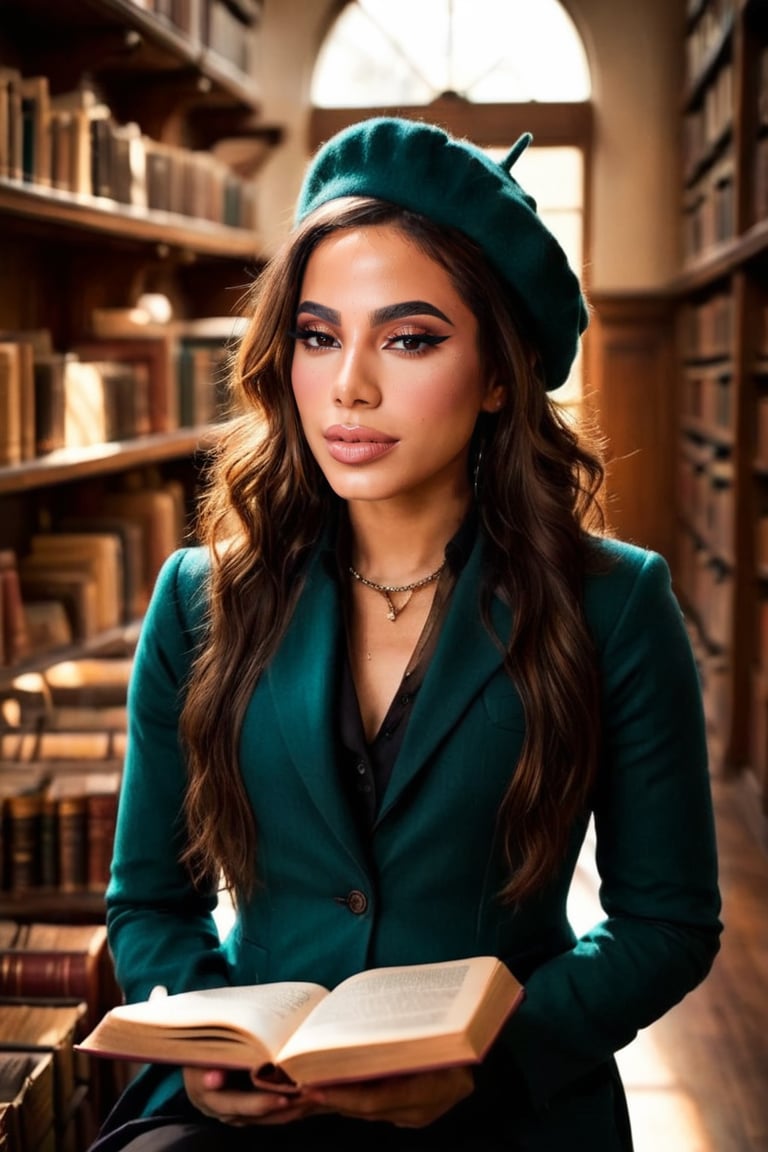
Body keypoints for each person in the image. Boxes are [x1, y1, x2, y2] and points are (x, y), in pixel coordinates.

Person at [90, 117, 722, 1152]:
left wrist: (493, 1059)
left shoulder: (617, 603)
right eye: (318, 334)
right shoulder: (198, 600)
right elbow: (150, 904)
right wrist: (202, 1048)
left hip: (506, 1113)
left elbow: (668, 925)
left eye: (410, 338)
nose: (350, 387)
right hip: (251, 1117)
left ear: (501, 375)